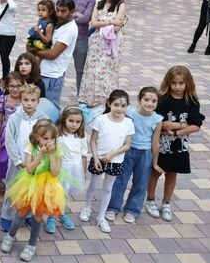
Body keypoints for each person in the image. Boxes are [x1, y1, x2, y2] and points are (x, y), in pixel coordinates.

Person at [144, 66, 204, 222]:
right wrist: (183, 125)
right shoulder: (163, 99)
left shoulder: (192, 101)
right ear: (168, 82)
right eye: (174, 83)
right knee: (155, 172)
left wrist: (176, 131)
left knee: (172, 174)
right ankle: (150, 200)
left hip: (180, 146)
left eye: (181, 83)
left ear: (187, 83)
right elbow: (162, 123)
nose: (177, 87)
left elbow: (196, 125)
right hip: (161, 145)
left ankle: (166, 203)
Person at [2, 118, 65, 261]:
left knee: (38, 218)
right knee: (20, 215)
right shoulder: (31, 147)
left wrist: (51, 154)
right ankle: (10, 235)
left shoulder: (57, 151)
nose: (49, 141)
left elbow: (55, 172)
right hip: (29, 185)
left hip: (46, 188)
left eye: (52, 138)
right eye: (45, 138)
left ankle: (31, 245)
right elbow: (29, 169)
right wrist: (40, 154)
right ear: (37, 137)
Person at [0, 83, 55, 231]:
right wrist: (18, 160)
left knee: (32, 189)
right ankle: (7, 216)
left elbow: (48, 137)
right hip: (17, 162)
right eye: (25, 100)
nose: (29, 103)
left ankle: (28, 215)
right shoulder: (15, 118)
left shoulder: (43, 118)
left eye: (33, 100)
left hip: (36, 162)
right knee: (12, 188)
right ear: (21, 100)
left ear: (38, 101)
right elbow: (10, 140)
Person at [107, 87, 163, 225]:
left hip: (145, 154)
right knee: (120, 180)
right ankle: (112, 207)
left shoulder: (157, 120)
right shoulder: (130, 114)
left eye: (154, 101)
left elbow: (155, 143)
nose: (149, 103)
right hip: (128, 151)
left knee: (141, 183)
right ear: (139, 100)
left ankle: (132, 210)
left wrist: (155, 162)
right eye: (146, 99)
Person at [81, 90, 134, 233]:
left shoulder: (128, 123)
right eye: (116, 105)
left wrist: (112, 155)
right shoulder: (101, 119)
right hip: (98, 159)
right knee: (93, 185)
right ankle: (87, 207)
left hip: (115, 161)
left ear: (127, 107)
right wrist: (95, 157)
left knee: (107, 188)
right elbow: (93, 140)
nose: (119, 109)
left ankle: (101, 216)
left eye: (123, 106)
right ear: (109, 104)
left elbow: (127, 145)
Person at [77, 0, 127, 107]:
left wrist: (104, 24)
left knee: (107, 70)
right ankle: (90, 99)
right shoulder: (99, 4)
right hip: (97, 41)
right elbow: (94, 23)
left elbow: (118, 26)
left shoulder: (120, 5)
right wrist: (110, 22)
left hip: (112, 42)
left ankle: (106, 100)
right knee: (92, 70)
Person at [34, 0, 79, 109]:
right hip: (43, 72)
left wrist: (33, 51)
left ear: (72, 11)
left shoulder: (69, 30)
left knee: (50, 109)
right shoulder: (58, 23)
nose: (59, 14)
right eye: (57, 10)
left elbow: (53, 54)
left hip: (52, 76)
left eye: (63, 11)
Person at [52, 106, 86, 233]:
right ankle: (52, 216)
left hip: (75, 167)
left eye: (78, 122)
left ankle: (62, 212)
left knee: (66, 192)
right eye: (71, 121)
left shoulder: (81, 136)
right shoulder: (58, 135)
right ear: (64, 119)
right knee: (57, 191)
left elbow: (83, 154)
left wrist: (83, 172)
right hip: (62, 167)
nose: (74, 124)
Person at [59, 0, 96, 93]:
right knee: (59, 67)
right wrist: (77, 14)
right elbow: (59, 17)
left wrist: (69, 16)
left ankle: (81, 95)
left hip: (81, 37)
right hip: (63, 37)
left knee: (81, 69)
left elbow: (86, 19)